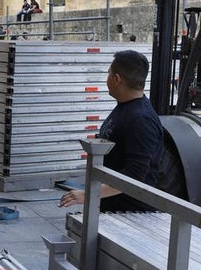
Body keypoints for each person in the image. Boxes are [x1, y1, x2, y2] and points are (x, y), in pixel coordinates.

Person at [59, 50, 163, 212]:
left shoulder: (141, 119)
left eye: (109, 73)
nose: (106, 78)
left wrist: (89, 194)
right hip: (108, 206)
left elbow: (135, 175)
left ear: (116, 79)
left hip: (128, 213)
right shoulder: (125, 107)